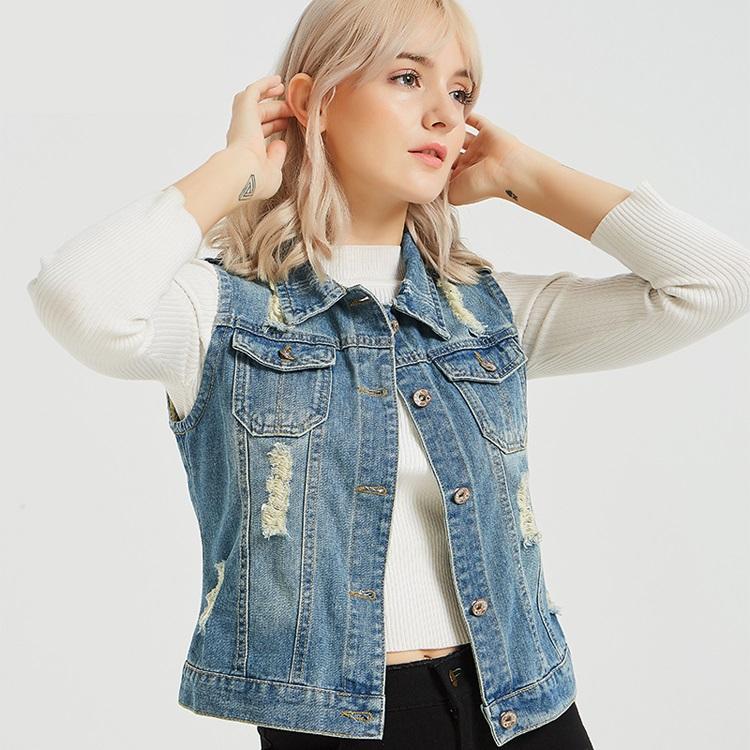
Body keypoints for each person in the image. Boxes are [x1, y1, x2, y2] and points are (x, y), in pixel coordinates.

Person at [26, 0, 750, 748]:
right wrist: (238, 167)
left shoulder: (483, 315)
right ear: (314, 101)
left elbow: (717, 284)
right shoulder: (224, 314)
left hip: (526, 709)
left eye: (461, 92)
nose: (445, 114)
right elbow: (79, 298)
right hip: (344, 724)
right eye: (408, 78)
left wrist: (523, 174)